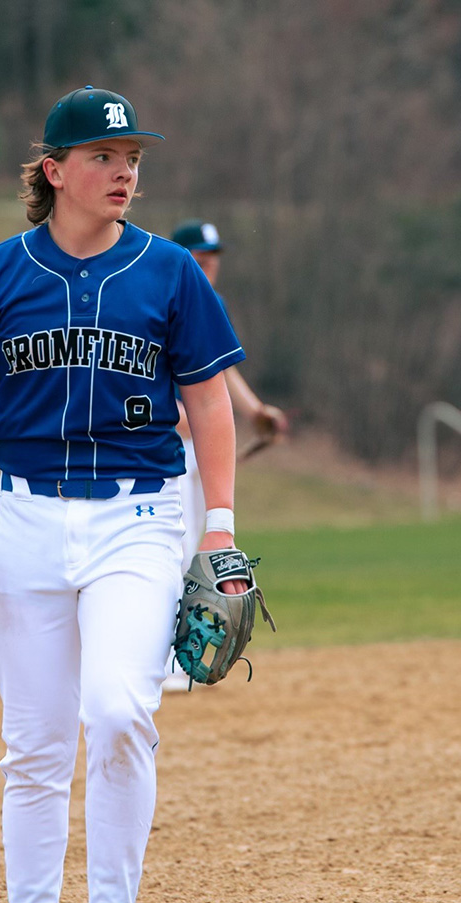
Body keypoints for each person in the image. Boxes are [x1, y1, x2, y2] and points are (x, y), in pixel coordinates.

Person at [0, 86, 248, 903]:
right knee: (32, 749)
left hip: (139, 520)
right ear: (55, 171)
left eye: (134, 157)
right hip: (25, 521)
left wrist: (216, 528)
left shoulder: (169, 270)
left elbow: (210, 400)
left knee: (116, 712)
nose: (125, 171)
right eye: (105, 157)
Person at [161, 219, 290, 693]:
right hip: (166, 444)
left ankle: (181, 657)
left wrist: (255, 410)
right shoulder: (160, 293)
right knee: (169, 550)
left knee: (198, 550)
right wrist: (168, 415)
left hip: (201, 444)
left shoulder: (212, 302)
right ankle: (163, 660)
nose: (207, 267)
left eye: (212, 259)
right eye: (199, 258)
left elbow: (220, 373)